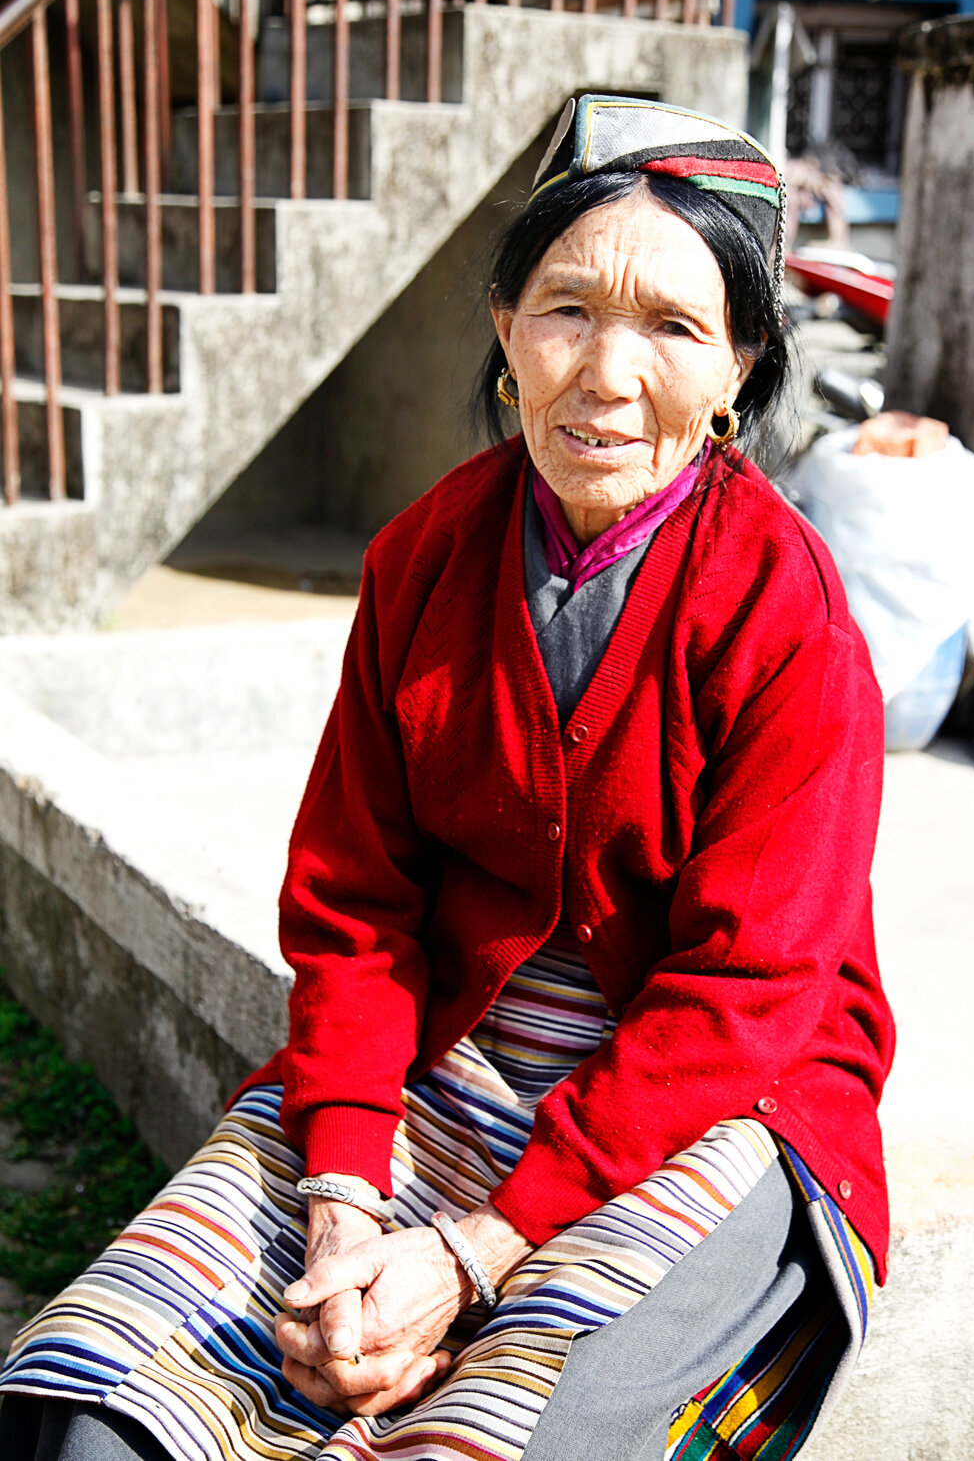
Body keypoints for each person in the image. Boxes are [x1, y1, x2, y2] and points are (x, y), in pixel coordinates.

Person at [0, 94, 894, 1461]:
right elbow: (355, 905)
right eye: (567, 309)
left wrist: (472, 1251)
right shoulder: (423, 559)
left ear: (738, 372)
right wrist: (349, 1196)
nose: (604, 374)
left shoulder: (791, 615)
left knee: (512, 1431)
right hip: (455, 1037)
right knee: (100, 1389)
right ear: (502, 326)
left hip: (716, 1082)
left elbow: (750, 994)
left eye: (673, 327)